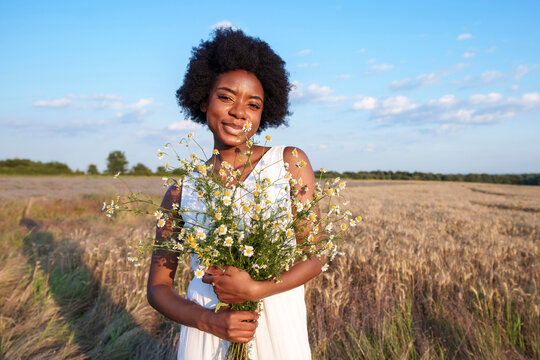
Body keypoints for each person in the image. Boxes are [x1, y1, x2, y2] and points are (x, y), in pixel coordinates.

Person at [147, 28, 324, 360]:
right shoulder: (180, 192)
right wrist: (209, 321)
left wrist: (255, 289)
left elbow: (316, 256)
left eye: (253, 104)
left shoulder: (289, 162)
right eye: (226, 97)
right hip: (207, 329)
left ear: (263, 113)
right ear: (203, 100)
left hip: (275, 322)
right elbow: (157, 289)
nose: (239, 111)